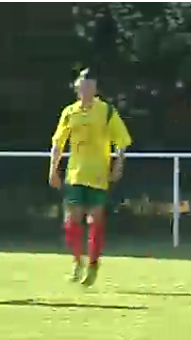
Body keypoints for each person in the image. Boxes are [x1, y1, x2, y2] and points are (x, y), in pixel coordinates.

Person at [49, 67, 132, 286]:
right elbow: (58, 143)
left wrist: (119, 164)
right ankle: (77, 262)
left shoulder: (106, 111)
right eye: (83, 86)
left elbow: (121, 140)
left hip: (97, 175)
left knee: (95, 221)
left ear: (95, 89)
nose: (87, 90)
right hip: (75, 175)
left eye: (91, 87)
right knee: (71, 221)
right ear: (77, 88)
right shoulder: (69, 112)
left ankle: (93, 264)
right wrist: (53, 169)